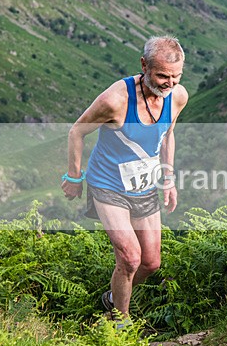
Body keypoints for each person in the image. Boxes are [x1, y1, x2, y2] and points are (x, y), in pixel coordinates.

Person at [61, 36, 188, 321]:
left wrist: (168, 178)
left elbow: (167, 134)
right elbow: (76, 132)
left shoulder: (177, 96)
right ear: (143, 65)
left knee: (151, 263)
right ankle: (120, 324)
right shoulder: (115, 100)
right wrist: (74, 176)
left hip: (143, 188)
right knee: (130, 257)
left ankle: (111, 297)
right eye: (162, 76)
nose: (169, 84)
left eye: (176, 77)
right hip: (107, 186)